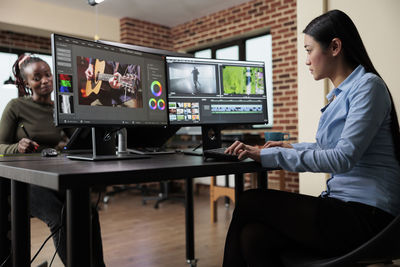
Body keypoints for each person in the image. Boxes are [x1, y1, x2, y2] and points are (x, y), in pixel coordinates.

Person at [222, 9, 400, 267]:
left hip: (369, 217)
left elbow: (342, 157)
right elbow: (330, 147)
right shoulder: (342, 94)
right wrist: (291, 146)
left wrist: (270, 155)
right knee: (254, 237)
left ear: (335, 46)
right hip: (344, 208)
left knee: (250, 200)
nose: (306, 60)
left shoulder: (368, 87)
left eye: (308, 50)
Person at [0, 54, 106, 266]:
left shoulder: (60, 108)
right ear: (27, 83)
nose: (45, 80)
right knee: (57, 216)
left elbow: (78, 139)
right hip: (24, 180)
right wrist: (17, 146)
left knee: (88, 211)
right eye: (37, 78)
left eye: (47, 75)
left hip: (53, 175)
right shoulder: (16, 106)